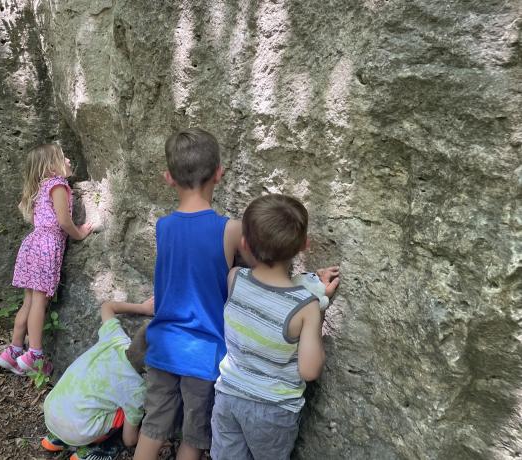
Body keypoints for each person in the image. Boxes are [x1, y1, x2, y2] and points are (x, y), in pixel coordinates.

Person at [134, 128, 243, 460]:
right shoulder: (230, 229)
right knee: (194, 437)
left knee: (153, 426)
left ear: (168, 178)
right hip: (204, 351)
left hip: (163, 343)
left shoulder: (163, 226)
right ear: (219, 174)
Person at [210, 194, 340, 460]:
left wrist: (312, 286)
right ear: (304, 245)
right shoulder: (306, 308)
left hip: (228, 396)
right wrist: (316, 299)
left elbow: (268, 299)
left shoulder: (235, 279)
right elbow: (309, 369)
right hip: (273, 409)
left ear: (245, 243)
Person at [0, 144, 93, 376]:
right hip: (47, 245)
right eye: (63, 157)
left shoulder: (41, 187)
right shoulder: (58, 185)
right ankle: (35, 354)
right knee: (40, 302)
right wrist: (79, 233)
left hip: (32, 244)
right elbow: (64, 221)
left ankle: (14, 351)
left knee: (28, 301)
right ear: (51, 166)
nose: (68, 160)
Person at [40, 298, 154, 460]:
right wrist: (147, 437)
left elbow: (107, 306)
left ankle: (56, 439)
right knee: (127, 414)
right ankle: (91, 451)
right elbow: (129, 440)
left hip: (52, 410)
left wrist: (143, 308)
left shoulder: (115, 337)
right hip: (79, 431)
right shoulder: (136, 390)